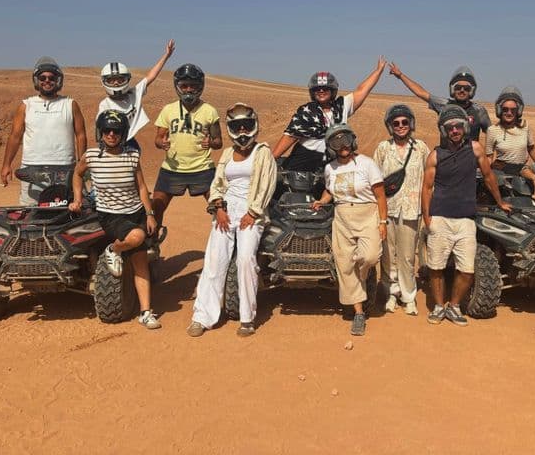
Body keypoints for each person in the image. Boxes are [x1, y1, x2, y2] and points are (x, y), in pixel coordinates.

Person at [188, 103, 277, 338]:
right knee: (214, 261)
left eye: (246, 125)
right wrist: (217, 207)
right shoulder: (227, 154)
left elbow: (267, 184)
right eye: (237, 126)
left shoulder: (263, 152)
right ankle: (202, 317)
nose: (242, 131)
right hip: (225, 213)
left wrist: (254, 212)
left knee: (246, 261)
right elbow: (217, 184)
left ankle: (247, 318)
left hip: (251, 215)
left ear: (254, 125)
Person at [69, 110, 161, 330]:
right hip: (111, 215)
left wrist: (149, 214)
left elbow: (141, 187)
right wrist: (77, 199)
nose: (111, 134)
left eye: (116, 131)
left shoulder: (131, 156)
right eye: (107, 130)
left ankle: (146, 312)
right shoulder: (91, 156)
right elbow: (77, 174)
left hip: (136, 212)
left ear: (123, 133)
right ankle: (113, 249)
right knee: (137, 237)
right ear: (100, 132)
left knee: (140, 263)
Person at [421, 105, 511, 326]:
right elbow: (426, 188)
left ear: (465, 127)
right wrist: (427, 218)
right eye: (450, 127)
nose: (454, 130)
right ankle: (439, 306)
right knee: (436, 266)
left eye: (458, 126)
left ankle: (454, 305)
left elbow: (489, 177)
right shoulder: (435, 155)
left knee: (467, 269)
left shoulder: (476, 149)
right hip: (440, 217)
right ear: (444, 130)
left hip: (466, 219)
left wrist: (500, 201)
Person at [312, 125, 387, 336]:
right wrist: (321, 201)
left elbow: (380, 195)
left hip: (367, 214)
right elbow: (330, 190)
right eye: (336, 142)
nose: (342, 145)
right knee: (345, 265)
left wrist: (383, 222)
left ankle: (361, 278)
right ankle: (358, 313)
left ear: (352, 141)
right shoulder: (330, 168)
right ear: (331, 147)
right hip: (342, 217)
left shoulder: (367, 164)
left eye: (345, 140)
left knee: (370, 256)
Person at [272, 57, 387, 172]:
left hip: (333, 163)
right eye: (317, 88)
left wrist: (378, 71)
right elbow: (290, 137)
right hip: (303, 161)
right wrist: (271, 160)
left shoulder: (342, 107)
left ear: (333, 91)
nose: (321, 91)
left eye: (325, 88)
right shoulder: (305, 111)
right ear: (312, 92)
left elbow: (362, 90)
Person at [0, 57, 87, 205]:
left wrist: (81, 163)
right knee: (31, 212)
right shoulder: (26, 106)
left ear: (58, 80)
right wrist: (6, 164)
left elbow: (81, 135)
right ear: (36, 80)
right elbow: (15, 137)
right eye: (42, 77)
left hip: (65, 168)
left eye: (51, 77)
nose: (47, 81)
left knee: (70, 211)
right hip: (32, 170)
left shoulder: (70, 104)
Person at [373, 104, 430, 316]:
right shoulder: (382, 148)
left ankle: (408, 296)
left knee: (407, 256)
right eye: (395, 123)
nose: (400, 126)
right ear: (390, 126)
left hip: (411, 209)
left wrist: (427, 210)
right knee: (387, 255)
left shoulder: (421, 148)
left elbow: (428, 181)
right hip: (387, 209)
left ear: (411, 123)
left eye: (404, 122)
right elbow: (375, 181)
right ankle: (390, 293)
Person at [151, 64, 222, 227]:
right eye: (184, 85)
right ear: (177, 86)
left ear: (201, 86)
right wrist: (161, 143)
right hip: (172, 169)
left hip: (202, 168)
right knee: (155, 208)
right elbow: (157, 138)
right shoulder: (168, 110)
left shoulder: (209, 111)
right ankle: (150, 244)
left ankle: (225, 246)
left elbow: (218, 142)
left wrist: (210, 142)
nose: (189, 89)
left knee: (220, 206)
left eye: (193, 86)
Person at [97, 39, 175, 150]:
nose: (116, 83)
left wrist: (166, 56)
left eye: (120, 79)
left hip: (129, 142)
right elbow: (100, 129)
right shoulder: (105, 104)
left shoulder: (134, 93)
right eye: (111, 80)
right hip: (112, 142)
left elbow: (151, 76)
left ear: (127, 79)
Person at [388, 63, 490, 143]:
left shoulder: (479, 111)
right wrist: (400, 75)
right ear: (452, 89)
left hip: (471, 163)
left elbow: (492, 134)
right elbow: (421, 93)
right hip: (447, 160)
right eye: (458, 87)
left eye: (466, 88)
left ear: (472, 90)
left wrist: (489, 157)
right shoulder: (444, 105)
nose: (462, 90)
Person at [486, 86, 535, 176]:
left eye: (513, 110)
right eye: (505, 109)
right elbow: (489, 157)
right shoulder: (492, 130)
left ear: (518, 110)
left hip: (522, 171)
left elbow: (531, 148)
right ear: (499, 110)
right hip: (501, 172)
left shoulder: (525, 126)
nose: (509, 113)